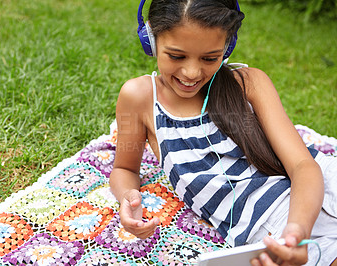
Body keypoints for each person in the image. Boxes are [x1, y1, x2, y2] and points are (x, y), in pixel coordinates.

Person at [109, 0, 337, 265]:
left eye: (210, 58)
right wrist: (129, 197)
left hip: (315, 190)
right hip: (271, 224)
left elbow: (302, 165)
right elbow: (124, 169)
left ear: (227, 47)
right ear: (151, 40)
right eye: (176, 56)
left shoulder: (250, 83)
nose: (192, 72)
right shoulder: (137, 97)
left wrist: (298, 230)